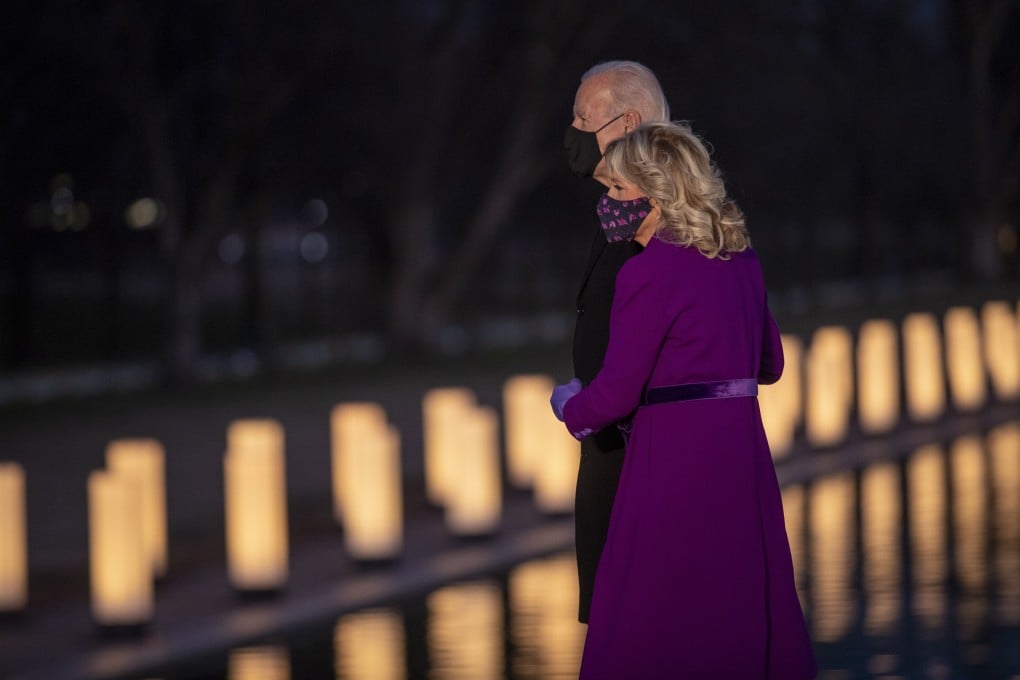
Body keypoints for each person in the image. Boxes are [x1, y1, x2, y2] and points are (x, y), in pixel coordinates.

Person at [551, 122, 817, 678]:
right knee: (736, 593)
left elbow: (616, 393)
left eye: (619, 189)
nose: (609, 202)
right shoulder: (740, 259)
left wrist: (570, 406)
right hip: (741, 458)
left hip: (671, 460)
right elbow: (771, 363)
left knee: (656, 605)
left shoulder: (646, 271)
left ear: (655, 193)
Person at [562, 60, 670, 625]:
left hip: (643, 456)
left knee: (641, 623)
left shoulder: (666, 223)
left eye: (585, 120)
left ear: (626, 123)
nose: (573, 133)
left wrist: (577, 407)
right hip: (606, 450)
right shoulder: (614, 211)